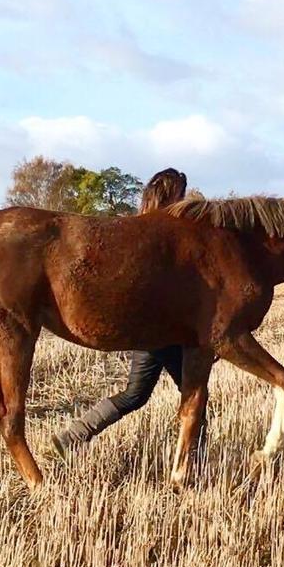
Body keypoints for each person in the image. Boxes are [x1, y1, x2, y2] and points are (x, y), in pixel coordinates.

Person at [47, 168, 188, 457]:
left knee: (135, 395)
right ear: (173, 196)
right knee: (194, 391)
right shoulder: (164, 234)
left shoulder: (140, 230)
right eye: (181, 195)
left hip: (147, 329)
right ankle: (191, 457)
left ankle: (74, 436)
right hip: (160, 330)